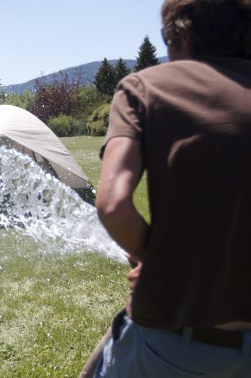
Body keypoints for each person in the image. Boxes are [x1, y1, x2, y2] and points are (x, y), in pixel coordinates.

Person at [90, 0, 251, 376]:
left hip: (177, 345)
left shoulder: (145, 88)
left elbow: (113, 204)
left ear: (181, 34)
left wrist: (157, 260)